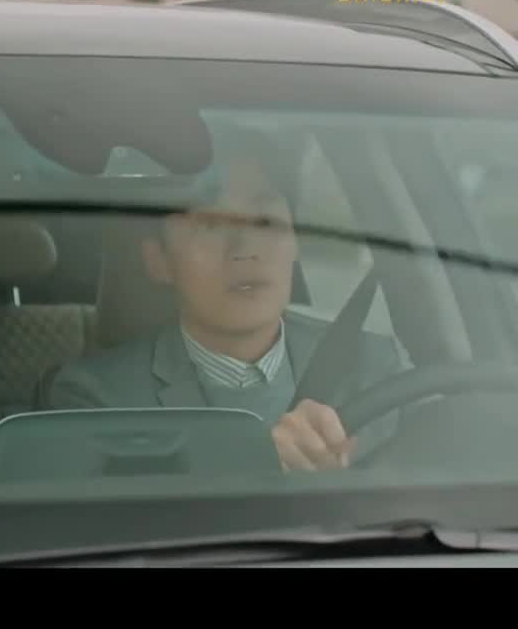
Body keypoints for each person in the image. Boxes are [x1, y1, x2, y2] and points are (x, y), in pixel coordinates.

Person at [41, 144, 406, 472]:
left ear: (295, 238)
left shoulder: (371, 369)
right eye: (211, 224)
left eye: (264, 221)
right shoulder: (98, 399)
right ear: (159, 261)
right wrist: (255, 461)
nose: (244, 248)